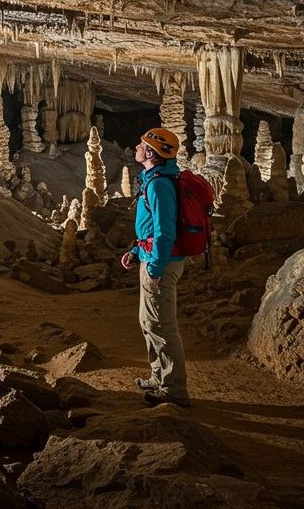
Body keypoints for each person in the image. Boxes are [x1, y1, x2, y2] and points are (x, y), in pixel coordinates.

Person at [119, 126, 190, 407]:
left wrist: (156, 269)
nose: (136, 148)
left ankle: (173, 388)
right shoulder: (153, 179)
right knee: (149, 322)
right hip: (150, 257)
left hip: (162, 262)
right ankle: (159, 376)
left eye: (140, 144)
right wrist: (136, 252)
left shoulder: (160, 184)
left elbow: (164, 231)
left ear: (150, 152)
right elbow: (149, 229)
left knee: (162, 325)